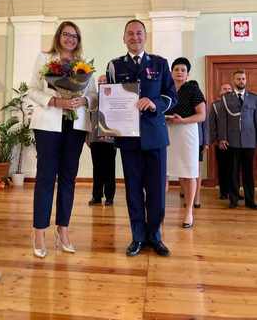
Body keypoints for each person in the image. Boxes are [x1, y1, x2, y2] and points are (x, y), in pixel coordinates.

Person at [106, 19, 177, 257]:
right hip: (128, 139)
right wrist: (104, 88)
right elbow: (109, 101)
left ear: (145, 37)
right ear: (123, 38)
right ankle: (137, 237)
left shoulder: (159, 63)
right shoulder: (114, 66)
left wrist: (154, 103)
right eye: (130, 34)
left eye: (139, 33)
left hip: (155, 137)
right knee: (133, 190)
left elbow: (171, 96)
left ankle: (155, 236)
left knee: (156, 192)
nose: (135, 37)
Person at [29, 21, 97, 258]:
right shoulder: (44, 59)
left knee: (69, 178)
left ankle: (63, 230)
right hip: (48, 123)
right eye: (66, 34)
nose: (70, 39)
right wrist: (55, 101)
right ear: (59, 36)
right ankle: (39, 232)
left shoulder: (84, 64)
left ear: (78, 40)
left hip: (75, 125)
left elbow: (93, 95)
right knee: (46, 177)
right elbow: (32, 90)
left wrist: (83, 101)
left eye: (74, 36)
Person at [166, 58, 206, 228]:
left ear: (187, 74)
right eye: (176, 69)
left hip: (187, 131)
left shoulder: (193, 89)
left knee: (188, 172)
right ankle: (159, 211)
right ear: (171, 72)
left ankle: (189, 211)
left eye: (183, 70)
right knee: (163, 172)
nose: (179, 72)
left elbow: (201, 115)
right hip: (166, 131)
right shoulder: (165, 89)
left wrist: (183, 121)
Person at [218, 70, 257, 209]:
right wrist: (222, 138)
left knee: (248, 173)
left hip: (249, 141)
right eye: (238, 79)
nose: (241, 81)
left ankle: (250, 200)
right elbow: (222, 120)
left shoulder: (253, 98)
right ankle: (233, 200)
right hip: (232, 140)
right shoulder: (226, 98)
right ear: (233, 80)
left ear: (246, 80)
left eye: (243, 79)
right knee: (233, 171)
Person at [87, 109, 117, 206]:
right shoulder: (93, 96)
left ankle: (109, 197)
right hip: (94, 137)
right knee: (97, 168)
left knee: (110, 168)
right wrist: (87, 136)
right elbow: (88, 117)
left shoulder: (113, 98)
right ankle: (96, 196)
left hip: (110, 138)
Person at [209, 83, 233, 199]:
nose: (227, 91)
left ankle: (234, 192)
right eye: (225, 89)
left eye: (229, 89)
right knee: (223, 168)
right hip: (221, 143)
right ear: (220, 92)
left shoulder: (238, 104)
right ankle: (224, 192)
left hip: (237, 143)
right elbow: (212, 125)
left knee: (235, 168)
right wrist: (217, 141)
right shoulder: (215, 105)